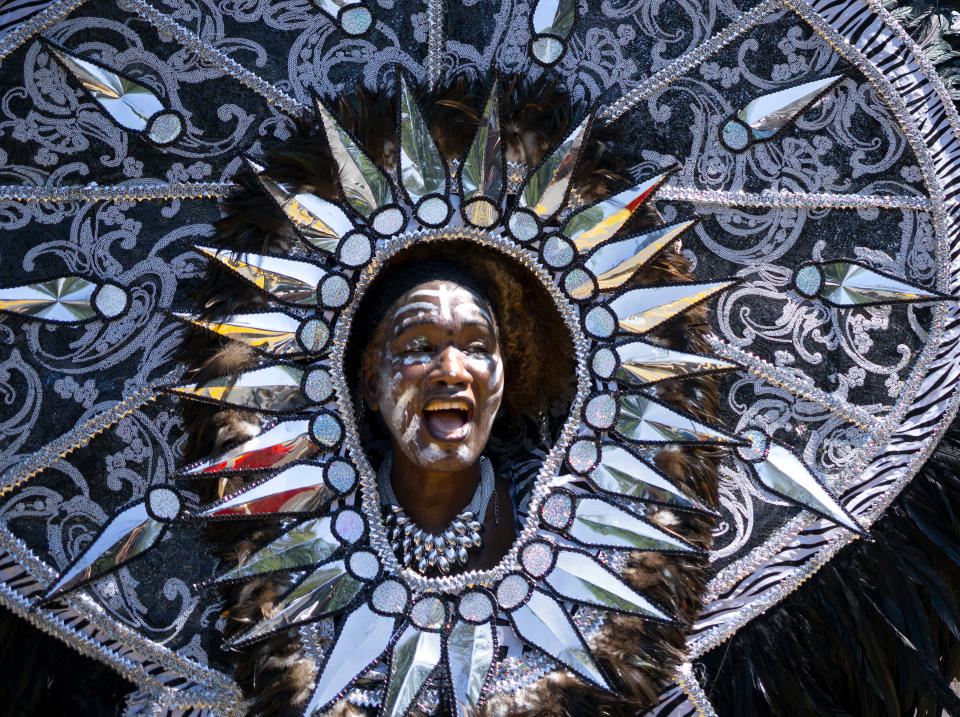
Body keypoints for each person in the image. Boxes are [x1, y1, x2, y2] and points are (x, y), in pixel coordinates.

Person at [347, 243, 576, 574]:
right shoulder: (329, 525)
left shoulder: (562, 519)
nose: (453, 370)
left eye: (478, 347)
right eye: (419, 346)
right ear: (372, 383)